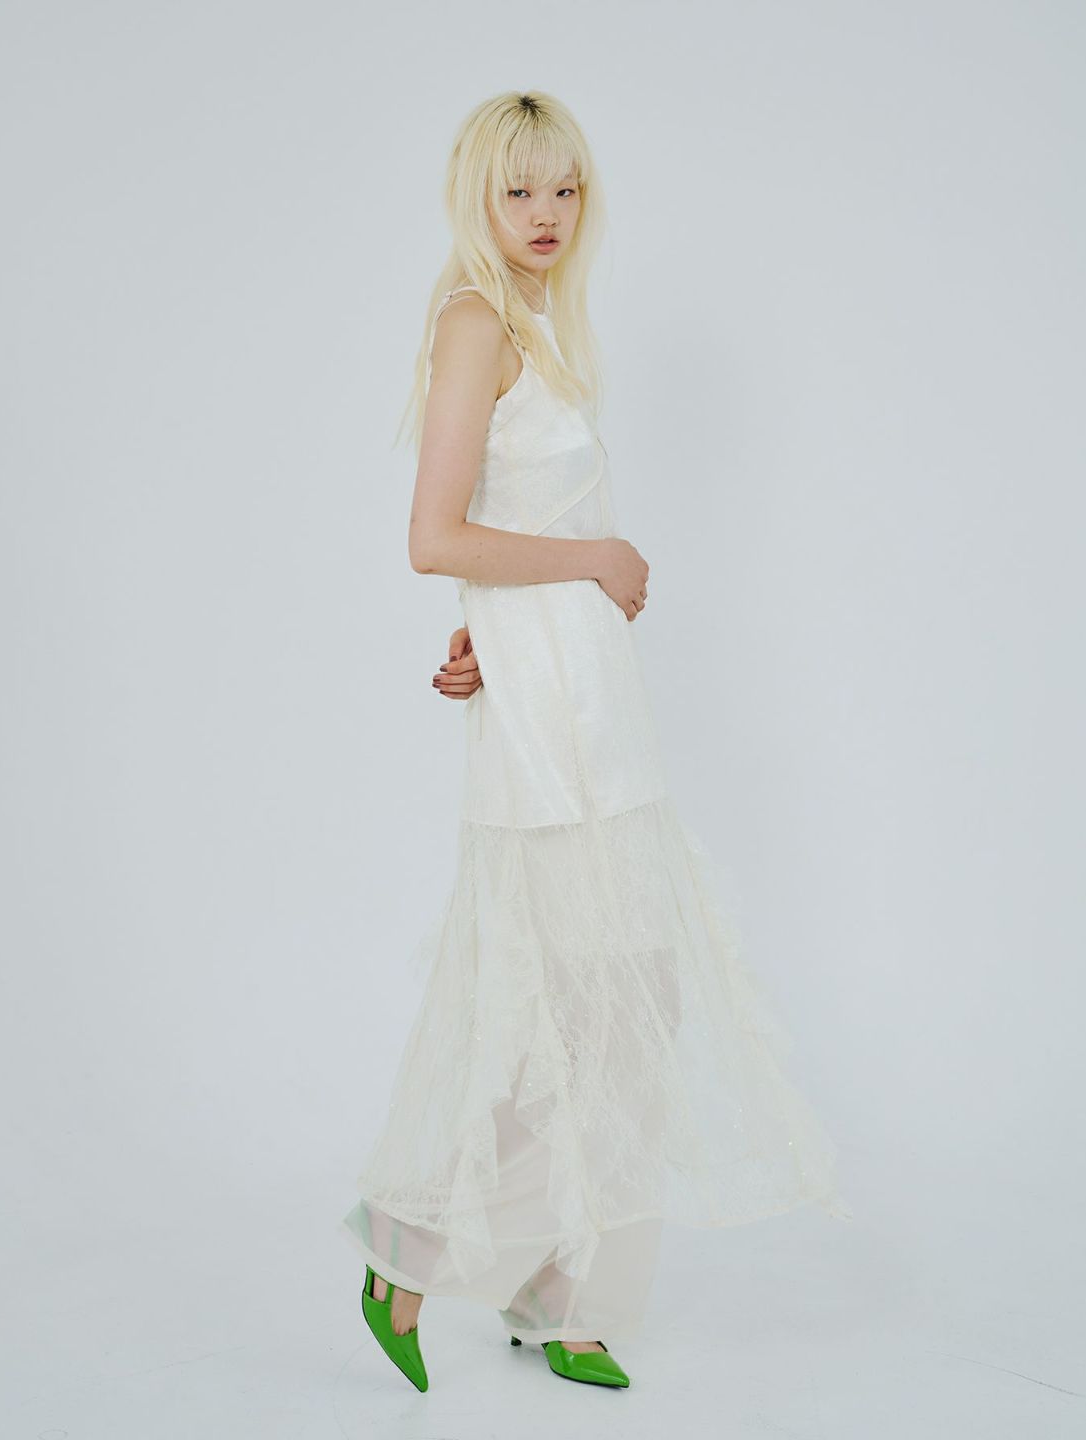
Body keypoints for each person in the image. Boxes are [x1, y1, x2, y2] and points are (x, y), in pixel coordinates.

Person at [338, 89, 851, 1394]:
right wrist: (595, 559)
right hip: (550, 722)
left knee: (621, 1010)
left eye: (564, 187)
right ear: (478, 196)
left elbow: (494, 533)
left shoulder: (543, 326)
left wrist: (491, 628)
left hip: (586, 701)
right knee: (581, 1006)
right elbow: (434, 535)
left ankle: (559, 1296)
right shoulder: (475, 320)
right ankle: (416, 1253)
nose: (546, 213)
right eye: (520, 189)